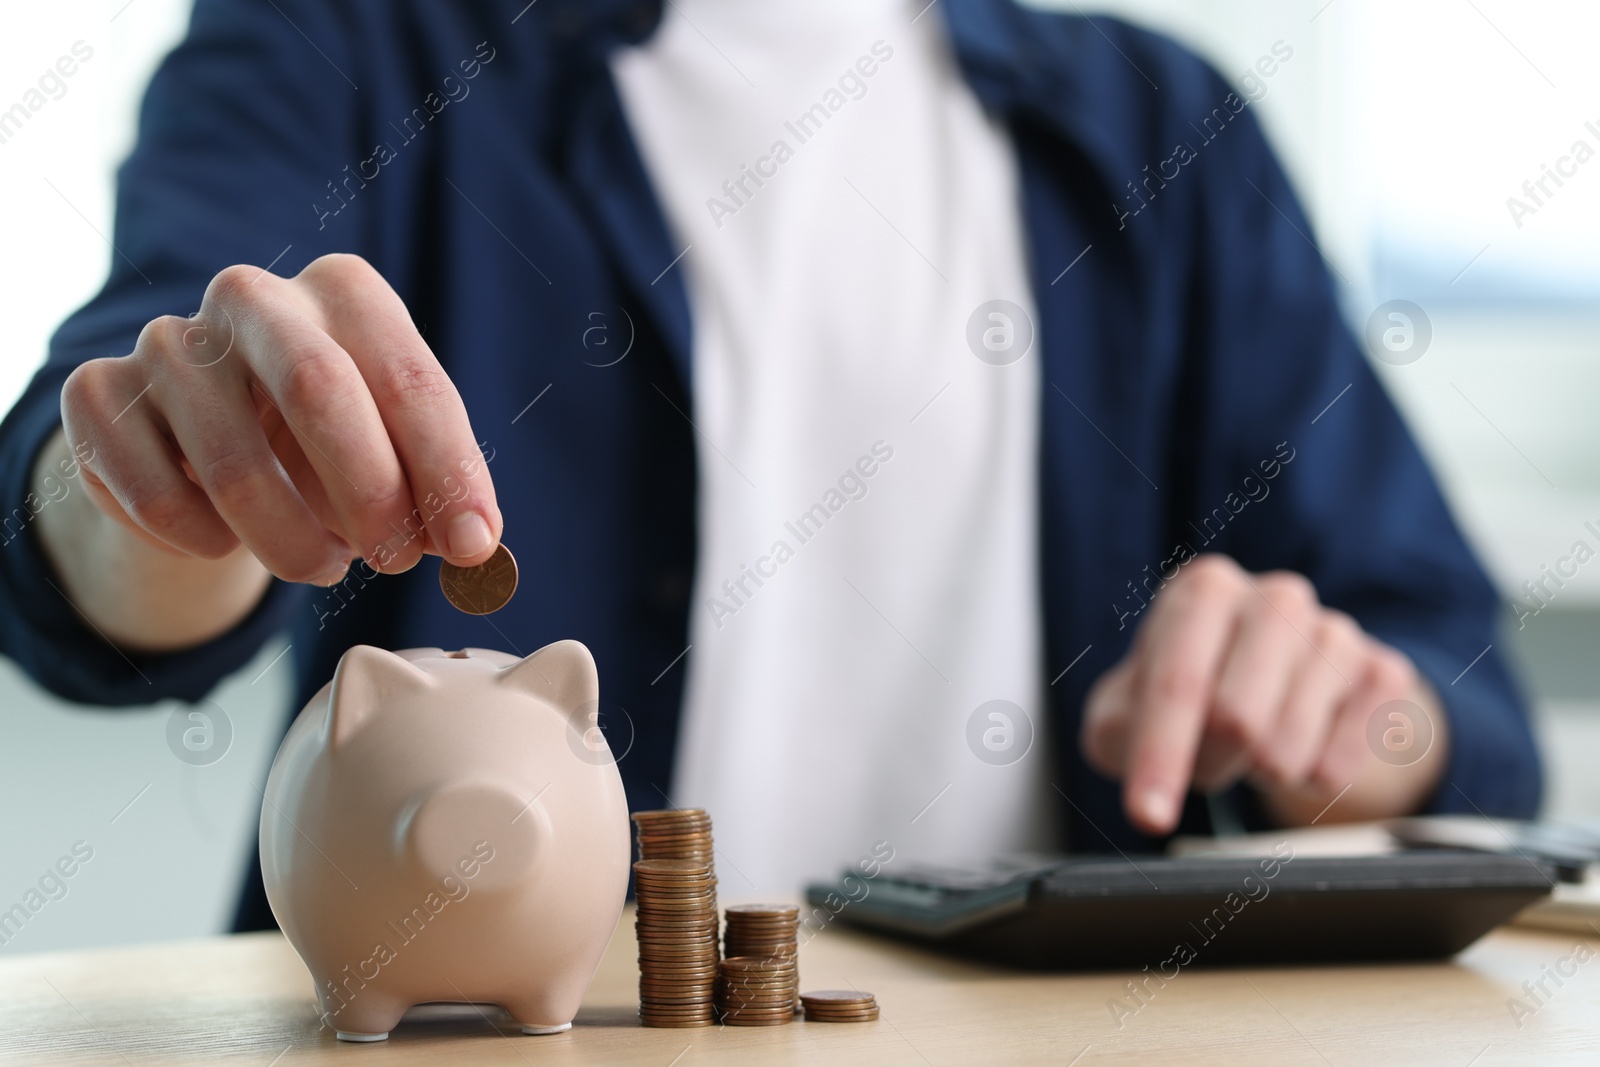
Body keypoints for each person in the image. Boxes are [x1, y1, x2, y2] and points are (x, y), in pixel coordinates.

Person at [0, 0, 1539, 933]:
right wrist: (160, 479)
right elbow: (78, 504)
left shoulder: (1168, 134)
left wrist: (1345, 726)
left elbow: (1460, 703)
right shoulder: (341, 46)